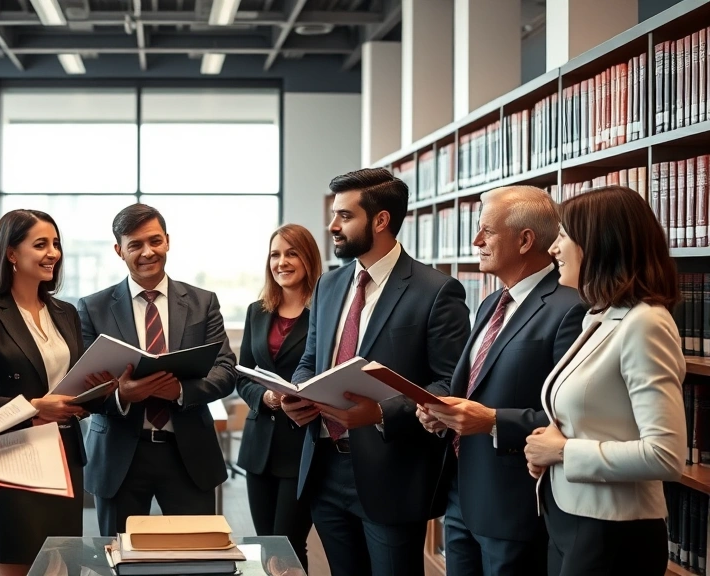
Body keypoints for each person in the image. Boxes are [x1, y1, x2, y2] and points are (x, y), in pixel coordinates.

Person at [281, 167, 470, 576]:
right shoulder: (329, 286)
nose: (332, 226)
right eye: (334, 214)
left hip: (392, 473)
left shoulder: (437, 291)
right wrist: (295, 393)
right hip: (324, 467)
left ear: (381, 220)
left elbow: (450, 384)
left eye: (345, 216)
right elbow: (311, 360)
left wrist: (381, 413)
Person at [415, 186, 586, 576]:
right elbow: (469, 388)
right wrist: (443, 413)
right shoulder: (493, 302)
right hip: (460, 496)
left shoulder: (570, 309)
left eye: (486, 231)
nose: (476, 241)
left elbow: (572, 419)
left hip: (514, 508)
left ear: (525, 240)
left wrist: (491, 420)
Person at [524, 185, 686, 576]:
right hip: (571, 517)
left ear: (598, 243)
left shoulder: (645, 324)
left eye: (563, 235)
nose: (553, 249)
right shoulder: (600, 317)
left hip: (612, 533)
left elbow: (666, 454)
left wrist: (562, 452)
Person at [76, 203, 237, 537]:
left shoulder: (203, 302)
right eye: (135, 245)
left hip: (189, 452)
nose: (147, 252)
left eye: (154, 241)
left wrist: (179, 391)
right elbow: (82, 387)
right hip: (119, 455)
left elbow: (225, 370)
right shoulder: (92, 308)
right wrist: (121, 395)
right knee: (119, 559)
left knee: (197, 558)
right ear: (119, 250)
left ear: (167, 241)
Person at [0, 209, 96, 576]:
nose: (53, 253)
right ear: (11, 253)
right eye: (40, 244)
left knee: (65, 567)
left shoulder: (65, 312)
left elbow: (73, 378)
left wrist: (92, 396)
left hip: (64, 456)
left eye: (55, 244)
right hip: (11, 459)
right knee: (19, 564)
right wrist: (32, 408)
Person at [235, 224, 321, 571]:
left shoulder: (325, 312)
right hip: (260, 448)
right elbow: (242, 375)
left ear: (308, 259)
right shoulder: (258, 311)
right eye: (275, 254)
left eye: (291, 253)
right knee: (262, 545)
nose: (282, 262)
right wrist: (267, 396)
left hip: (302, 446)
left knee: (287, 544)